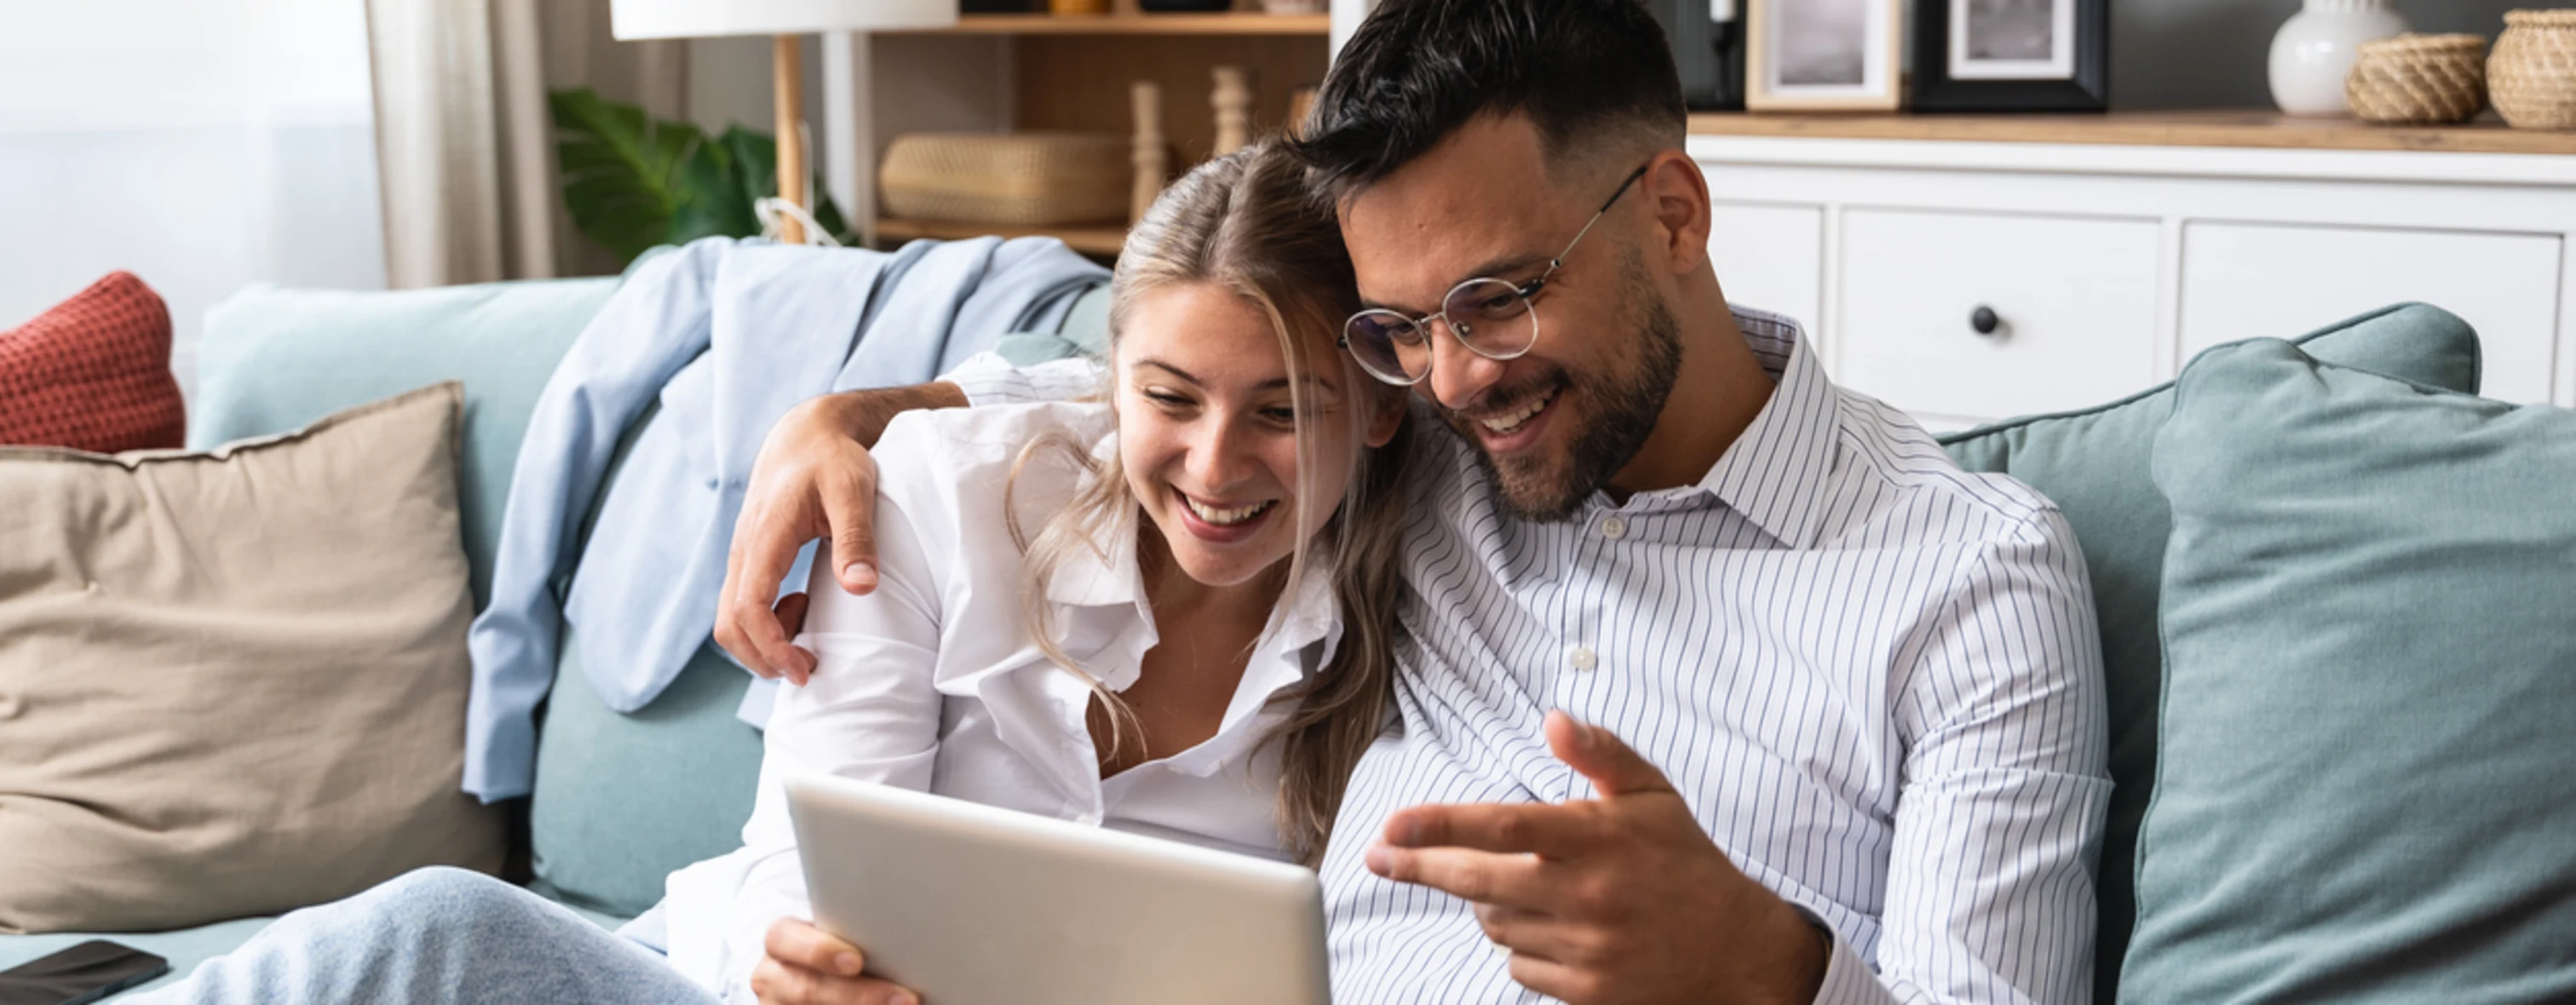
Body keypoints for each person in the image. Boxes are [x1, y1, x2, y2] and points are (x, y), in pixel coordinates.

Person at [716, 1, 2112, 1002]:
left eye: (1496, 298)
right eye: (1400, 329)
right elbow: (1188, 395)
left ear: (1674, 216)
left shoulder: (1969, 580)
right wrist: (852, 417)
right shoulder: (1432, 435)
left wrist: (1764, 966)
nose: (1455, 377)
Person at [127, 143, 1411, 1005]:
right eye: (1169, 398)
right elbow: (799, 856)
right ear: (1109, 384)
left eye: (1285, 412)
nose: (1214, 464)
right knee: (438, 932)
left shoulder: (1432, 594)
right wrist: (789, 960)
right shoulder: (940, 490)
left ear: (1379, 406)